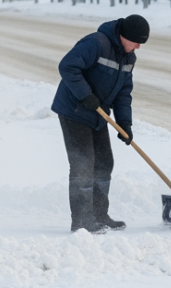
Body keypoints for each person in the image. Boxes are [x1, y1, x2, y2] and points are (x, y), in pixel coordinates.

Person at [50, 14, 148, 233]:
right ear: (124, 36)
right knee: (83, 165)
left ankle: (99, 215)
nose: (138, 47)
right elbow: (67, 66)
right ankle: (82, 221)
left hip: (97, 114)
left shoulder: (128, 58)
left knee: (104, 163)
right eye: (136, 42)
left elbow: (124, 93)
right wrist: (85, 95)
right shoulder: (96, 43)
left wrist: (125, 123)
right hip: (74, 111)